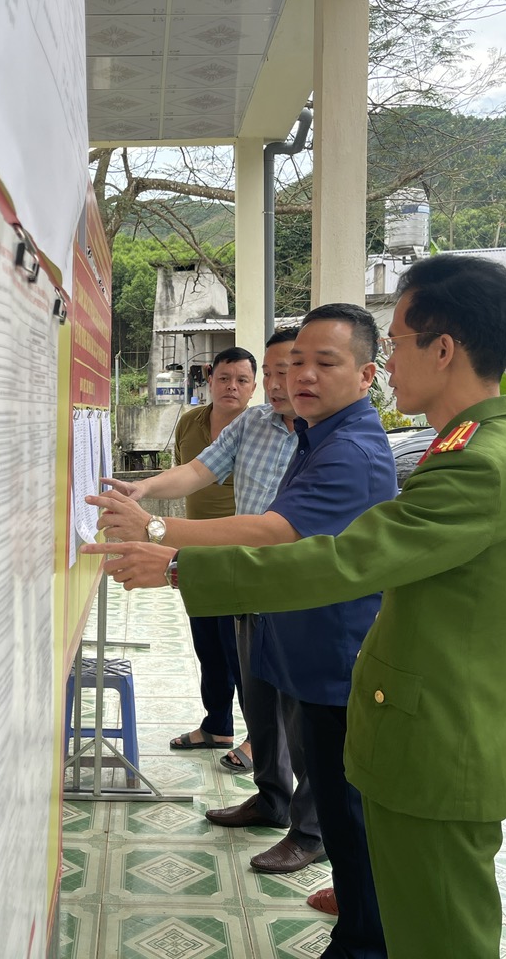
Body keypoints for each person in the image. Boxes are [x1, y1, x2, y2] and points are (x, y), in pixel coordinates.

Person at [83, 254, 506, 959]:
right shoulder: (458, 451)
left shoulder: (479, 465)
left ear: (443, 349)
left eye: (394, 345)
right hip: (411, 734)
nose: (387, 364)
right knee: (410, 914)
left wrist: (176, 565)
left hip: (438, 747)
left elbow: (340, 559)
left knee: (440, 936)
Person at [93, 304, 396, 948]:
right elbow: (207, 476)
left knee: (340, 788)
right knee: (286, 733)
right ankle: (345, 877)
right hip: (281, 613)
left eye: (321, 363)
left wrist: (161, 542)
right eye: (294, 363)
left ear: (368, 374)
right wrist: (149, 503)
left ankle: (361, 924)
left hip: (329, 647)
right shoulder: (309, 435)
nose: (301, 377)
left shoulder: (348, 450)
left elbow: (277, 532)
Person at [100, 329, 298, 776]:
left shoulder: (325, 438)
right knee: (228, 655)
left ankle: (281, 784)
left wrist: (154, 528)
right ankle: (266, 787)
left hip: (278, 570)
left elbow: (272, 530)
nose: (278, 384)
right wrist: (143, 488)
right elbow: (196, 470)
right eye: (270, 374)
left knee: (274, 679)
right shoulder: (250, 424)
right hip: (223, 562)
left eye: (280, 372)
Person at [163, 346, 256, 755]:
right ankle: (217, 726)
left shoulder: (266, 429)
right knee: (208, 645)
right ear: (209, 379)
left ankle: (259, 739)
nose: (231, 387)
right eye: (224, 378)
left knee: (244, 652)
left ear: (254, 387)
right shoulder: (190, 423)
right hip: (195, 553)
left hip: (242, 554)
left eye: (241, 380)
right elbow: (185, 474)